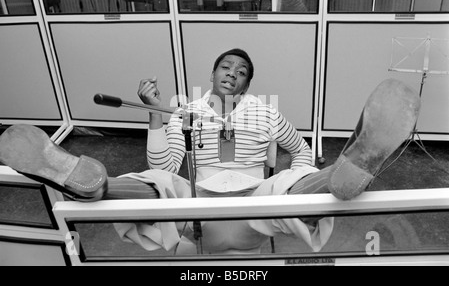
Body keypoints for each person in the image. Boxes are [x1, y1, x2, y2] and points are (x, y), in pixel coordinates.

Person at [0, 48, 421, 255]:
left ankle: (341, 174)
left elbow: (301, 148)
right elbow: (163, 164)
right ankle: (90, 183)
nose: (232, 74)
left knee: (288, 181)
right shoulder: (186, 111)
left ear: (247, 84)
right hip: (197, 209)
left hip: (256, 206)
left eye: (241, 72)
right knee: (162, 182)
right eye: (226, 67)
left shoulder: (267, 114)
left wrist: (300, 173)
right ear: (213, 74)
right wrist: (153, 115)